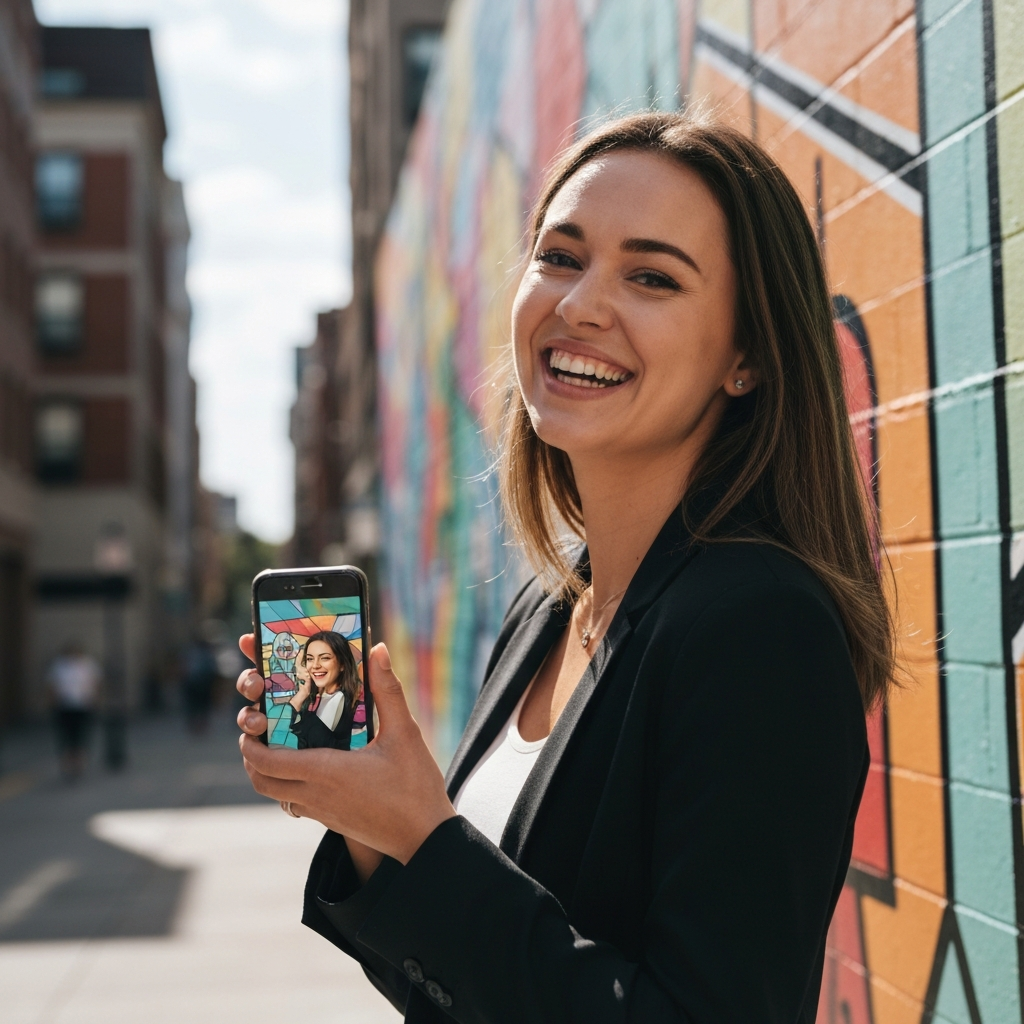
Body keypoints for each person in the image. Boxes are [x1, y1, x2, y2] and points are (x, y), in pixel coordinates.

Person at [234, 112, 895, 1023]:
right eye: (560, 255)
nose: (580, 303)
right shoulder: (553, 607)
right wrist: (373, 828)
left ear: (745, 358)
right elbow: (462, 984)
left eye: (652, 276)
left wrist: (425, 837)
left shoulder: (761, 624)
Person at [287, 631, 362, 751]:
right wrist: (303, 692)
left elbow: (314, 745)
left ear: (342, 664)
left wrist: (299, 698)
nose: (315, 665)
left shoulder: (338, 699)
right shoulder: (318, 698)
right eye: (310, 659)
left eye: (325, 658)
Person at [47, 641, 101, 781]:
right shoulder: (59, 666)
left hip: (82, 706)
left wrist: (93, 700)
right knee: (66, 735)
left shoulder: (88, 664)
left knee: (81, 735)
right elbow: (53, 685)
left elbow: (95, 683)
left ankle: (78, 763)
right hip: (64, 706)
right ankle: (68, 763)